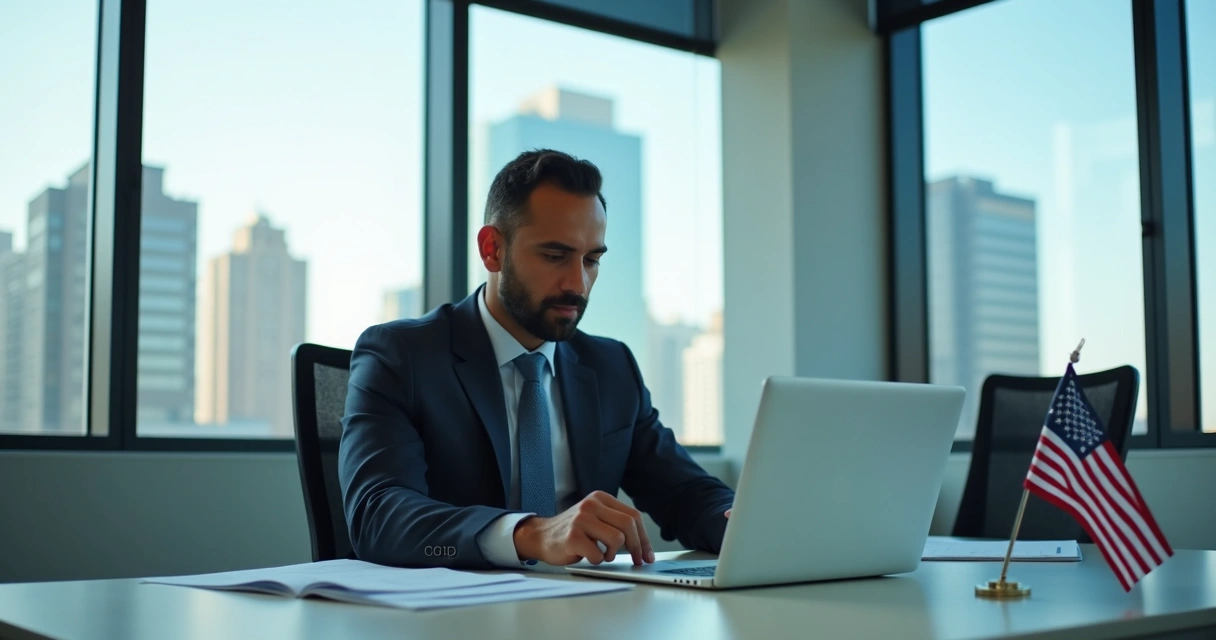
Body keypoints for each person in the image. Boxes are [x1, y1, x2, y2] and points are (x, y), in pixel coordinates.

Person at [339, 149, 734, 569]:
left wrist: (746, 525)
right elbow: (377, 519)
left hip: (586, 615)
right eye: (554, 256)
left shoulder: (612, 367)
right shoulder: (402, 356)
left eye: (592, 259)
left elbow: (687, 494)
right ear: (492, 249)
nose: (578, 284)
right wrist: (529, 534)